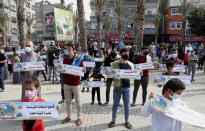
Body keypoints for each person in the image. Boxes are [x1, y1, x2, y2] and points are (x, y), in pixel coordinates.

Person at [108, 48, 134, 129]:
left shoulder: (131, 64)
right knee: (115, 105)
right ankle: (113, 120)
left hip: (127, 88)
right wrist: (107, 73)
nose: (127, 55)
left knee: (127, 106)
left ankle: (127, 121)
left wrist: (139, 73)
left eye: (128, 53)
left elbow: (134, 74)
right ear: (121, 54)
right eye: (125, 53)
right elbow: (110, 75)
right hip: (117, 87)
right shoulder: (114, 64)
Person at [62, 43, 85, 125]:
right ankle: (68, 116)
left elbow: (82, 70)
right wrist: (60, 71)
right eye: (64, 49)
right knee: (67, 101)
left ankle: (79, 117)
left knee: (78, 101)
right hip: (66, 83)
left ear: (71, 49)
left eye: (66, 48)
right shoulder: (64, 59)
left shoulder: (78, 58)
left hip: (76, 83)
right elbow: (63, 71)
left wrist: (83, 70)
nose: (65, 50)